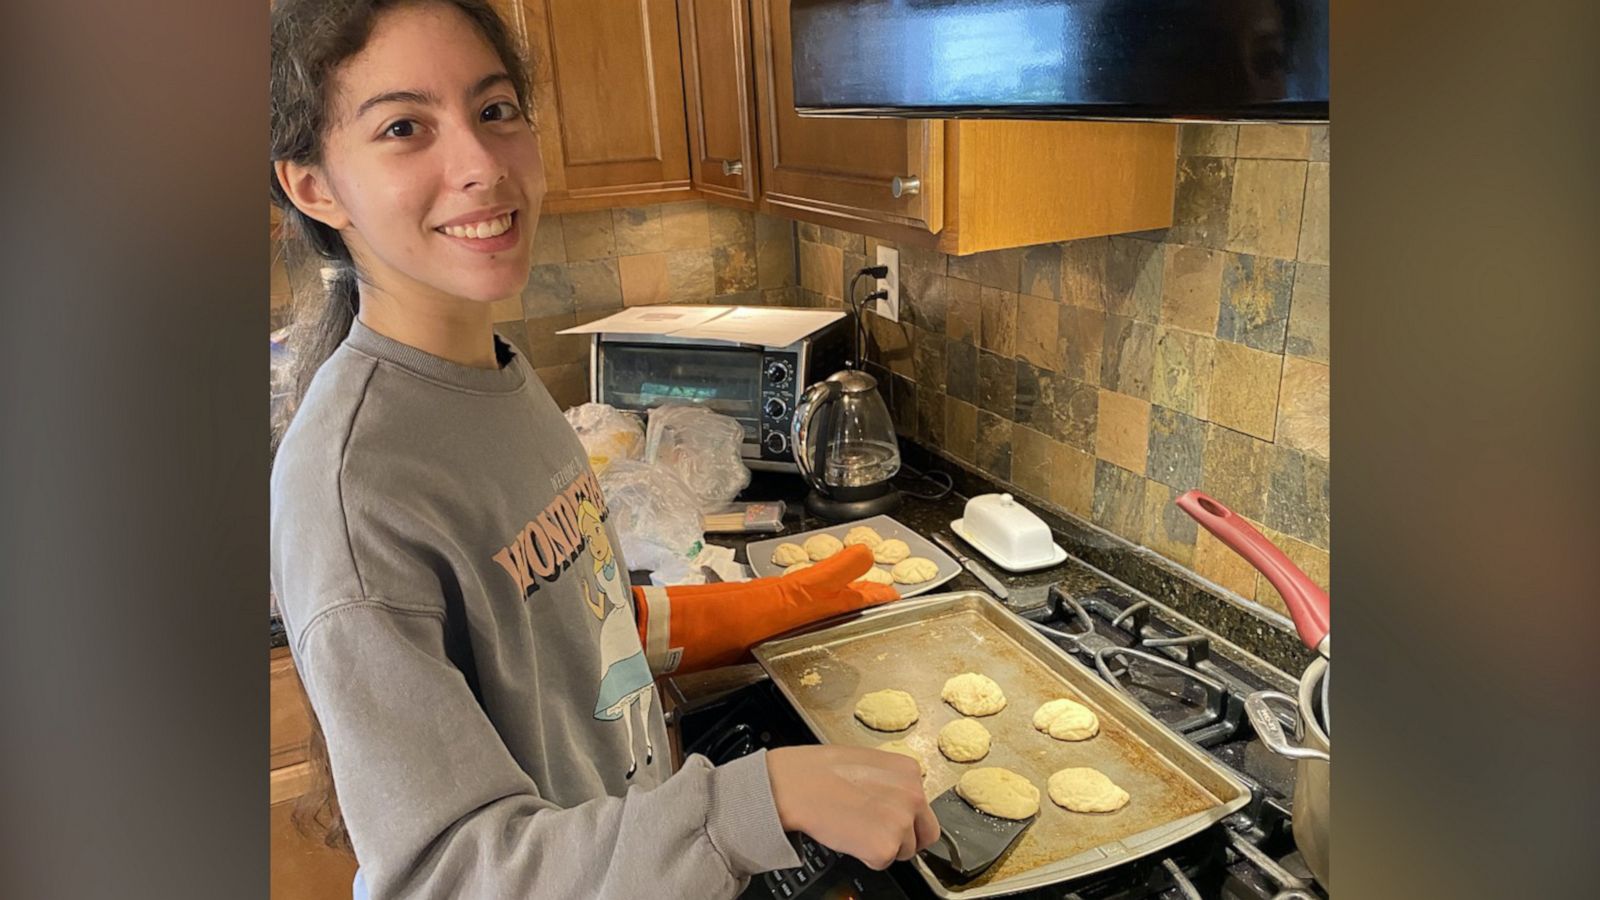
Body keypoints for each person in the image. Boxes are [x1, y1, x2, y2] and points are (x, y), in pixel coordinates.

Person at [267, 1, 939, 897]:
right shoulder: (354, 489)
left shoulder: (499, 384)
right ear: (314, 187)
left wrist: (784, 601)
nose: (479, 164)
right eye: (403, 127)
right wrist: (752, 803)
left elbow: (581, 630)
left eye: (495, 110)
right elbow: (446, 873)